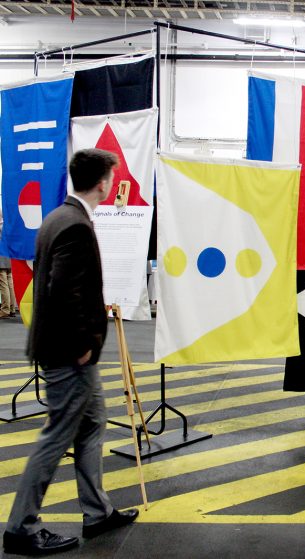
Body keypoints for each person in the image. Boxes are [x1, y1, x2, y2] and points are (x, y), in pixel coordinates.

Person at [3, 149, 139, 556]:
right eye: (111, 177)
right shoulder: (76, 224)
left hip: (66, 349)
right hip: (69, 353)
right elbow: (62, 289)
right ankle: (21, 528)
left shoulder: (58, 217)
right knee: (56, 435)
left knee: (93, 421)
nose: (112, 183)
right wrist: (82, 343)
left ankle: (97, 511)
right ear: (102, 182)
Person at [0, 208, 18, 318]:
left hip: (1, 259)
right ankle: (11, 308)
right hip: (9, 258)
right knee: (10, 283)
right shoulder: (7, 227)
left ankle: (5, 309)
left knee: (3, 284)